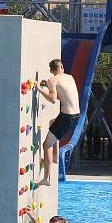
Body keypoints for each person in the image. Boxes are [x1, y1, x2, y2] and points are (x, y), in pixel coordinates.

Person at [36, 59, 80, 187]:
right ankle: (55, 156)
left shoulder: (52, 80)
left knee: (46, 145)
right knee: (51, 122)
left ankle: (46, 178)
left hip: (66, 117)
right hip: (76, 115)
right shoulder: (70, 77)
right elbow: (65, 94)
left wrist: (39, 89)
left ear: (50, 70)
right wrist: (48, 86)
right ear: (62, 67)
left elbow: (53, 99)